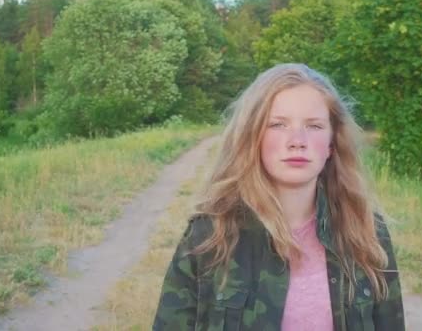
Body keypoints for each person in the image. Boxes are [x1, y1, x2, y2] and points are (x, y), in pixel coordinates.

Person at [152, 63, 405, 330]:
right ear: (253, 136)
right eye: (278, 124)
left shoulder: (366, 231)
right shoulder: (208, 235)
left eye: (314, 126)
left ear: (332, 142)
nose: (297, 140)